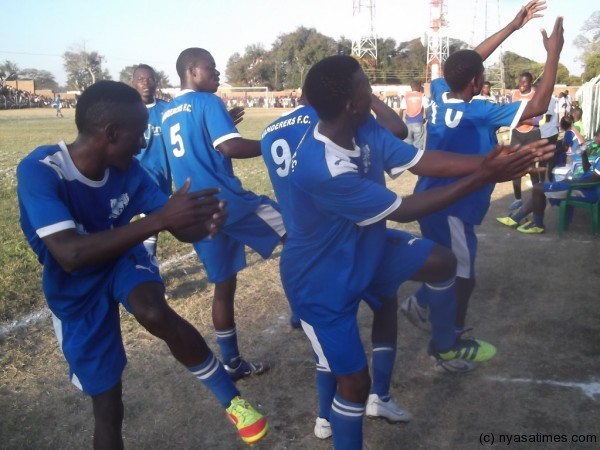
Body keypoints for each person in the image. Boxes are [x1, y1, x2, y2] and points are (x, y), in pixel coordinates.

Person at [281, 55, 554, 450]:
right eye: (364, 88)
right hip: (322, 277)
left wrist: (490, 161)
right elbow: (406, 210)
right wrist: (484, 175)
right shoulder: (323, 166)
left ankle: (443, 344)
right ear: (351, 103)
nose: (371, 93)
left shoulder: (364, 129)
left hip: (365, 247)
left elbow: (422, 160)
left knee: (443, 262)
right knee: (355, 383)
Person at [15, 80, 269, 448]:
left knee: (153, 311)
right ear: (112, 133)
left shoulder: (131, 172)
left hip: (121, 257)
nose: (145, 143)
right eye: (140, 134)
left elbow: (173, 224)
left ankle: (232, 400)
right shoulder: (41, 170)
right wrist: (161, 220)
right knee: (107, 404)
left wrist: (200, 222)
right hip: (74, 285)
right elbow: (69, 254)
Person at [404, 2, 563, 337]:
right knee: (463, 276)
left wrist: (512, 26)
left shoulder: (439, 91)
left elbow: (467, 63)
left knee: (446, 263)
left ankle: (419, 304)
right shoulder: (484, 111)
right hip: (456, 206)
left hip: (429, 199)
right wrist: (553, 54)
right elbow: (539, 103)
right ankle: (450, 339)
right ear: (476, 83)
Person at [260, 92, 410, 440]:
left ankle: (330, 414)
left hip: (313, 238)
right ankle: (370, 399)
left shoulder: (271, 129)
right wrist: (368, 98)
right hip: (353, 234)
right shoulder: (341, 121)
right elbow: (398, 130)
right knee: (371, 313)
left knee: (332, 341)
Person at [161, 48, 285, 381]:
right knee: (298, 232)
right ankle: (311, 309)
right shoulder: (207, 103)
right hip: (227, 201)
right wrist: (276, 140)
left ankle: (231, 362)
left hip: (194, 209)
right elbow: (230, 147)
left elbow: (191, 145)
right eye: (210, 68)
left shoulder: (167, 112)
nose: (216, 74)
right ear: (192, 70)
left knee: (224, 284)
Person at [497, 128, 600, 234]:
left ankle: (538, 225)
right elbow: (588, 170)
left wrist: (572, 182)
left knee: (538, 188)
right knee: (540, 188)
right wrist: (583, 154)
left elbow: (596, 178)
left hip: (586, 192)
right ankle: (516, 218)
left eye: (597, 135)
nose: (595, 138)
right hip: (584, 187)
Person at [132, 64, 172, 258]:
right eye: (140, 79)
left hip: (163, 175)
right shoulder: (126, 110)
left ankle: (147, 264)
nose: (146, 83)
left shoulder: (168, 110)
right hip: (134, 176)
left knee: (152, 223)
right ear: (133, 83)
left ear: (156, 82)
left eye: (150, 79)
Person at [509, 71, 541, 209]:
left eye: (525, 82)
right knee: (515, 166)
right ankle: (517, 199)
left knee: (532, 167)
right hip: (517, 134)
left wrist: (519, 119)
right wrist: (517, 120)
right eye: (520, 82)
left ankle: (536, 199)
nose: (521, 85)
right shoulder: (514, 95)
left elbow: (539, 120)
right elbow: (510, 114)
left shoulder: (536, 96)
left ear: (530, 83)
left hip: (532, 134)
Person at [399, 80, 429, 148]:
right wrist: (426, 118)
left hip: (408, 123)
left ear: (411, 87)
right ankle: (418, 158)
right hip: (418, 122)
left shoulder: (406, 97)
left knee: (408, 144)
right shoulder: (422, 96)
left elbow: (401, 110)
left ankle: (408, 157)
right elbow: (427, 108)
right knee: (418, 144)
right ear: (418, 86)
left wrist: (400, 121)